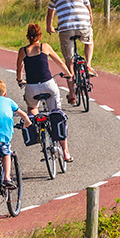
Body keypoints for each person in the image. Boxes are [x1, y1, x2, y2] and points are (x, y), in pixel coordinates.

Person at [16, 23, 73, 162]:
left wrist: (20, 80)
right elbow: (59, 61)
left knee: (32, 108)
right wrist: (68, 73)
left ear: (27, 37)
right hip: (49, 85)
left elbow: (19, 68)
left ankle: (37, 129)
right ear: (40, 36)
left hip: (31, 87)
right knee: (56, 113)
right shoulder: (45, 47)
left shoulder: (22, 51)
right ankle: (65, 152)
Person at [46, 0, 96, 106]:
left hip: (66, 28)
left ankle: (72, 95)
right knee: (89, 42)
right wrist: (89, 22)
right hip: (83, 25)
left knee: (69, 61)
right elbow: (89, 10)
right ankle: (89, 66)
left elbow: (50, 12)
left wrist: (49, 27)